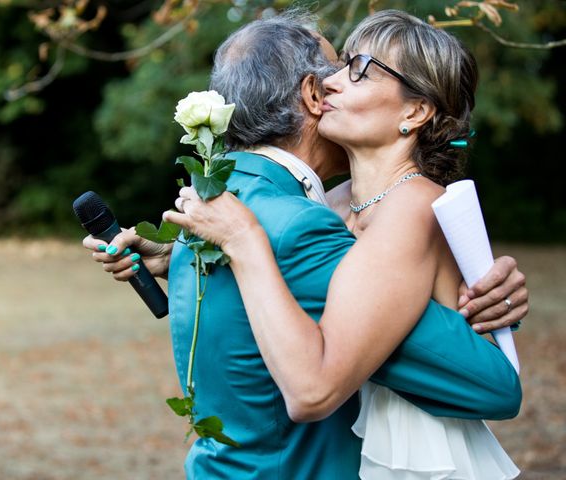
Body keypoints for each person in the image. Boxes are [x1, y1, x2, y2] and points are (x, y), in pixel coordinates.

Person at [84, 12, 528, 479]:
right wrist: (178, 255)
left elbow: (485, 378)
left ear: (415, 111)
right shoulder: (320, 209)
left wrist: (246, 244)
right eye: (341, 66)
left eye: (358, 70)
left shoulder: (389, 207)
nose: (331, 83)